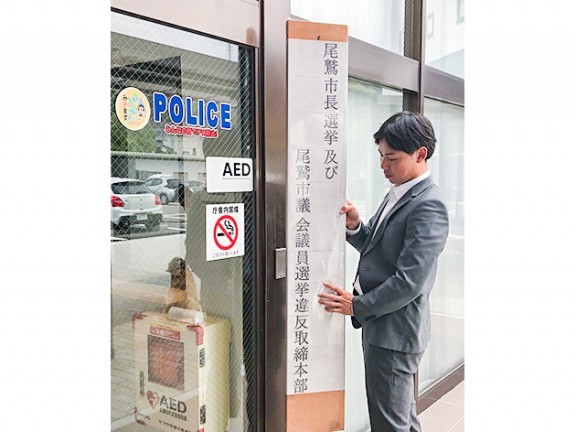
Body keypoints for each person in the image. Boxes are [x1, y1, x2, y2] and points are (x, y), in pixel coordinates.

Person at [318, 111, 449, 432]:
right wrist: (355, 226)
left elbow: (410, 281)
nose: (382, 166)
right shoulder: (399, 193)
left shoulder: (427, 205)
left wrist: (357, 306)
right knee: (401, 418)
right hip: (387, 327)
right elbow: (378, 251)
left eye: (392, 158)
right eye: (380, 155)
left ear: (420, 154)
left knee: (389, 423)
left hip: (395, 333)